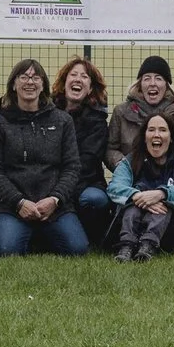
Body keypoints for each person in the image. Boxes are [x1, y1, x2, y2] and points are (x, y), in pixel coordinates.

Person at [0, 58, 89, 257]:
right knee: (7, 251)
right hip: (11, 206)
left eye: (35, 78)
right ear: (13, 84)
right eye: (23, 77)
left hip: (54, 206)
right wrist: (19, 202)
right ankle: (24, 234)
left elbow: (72, 167)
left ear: (43, 85)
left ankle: (37, 235)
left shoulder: (63, 120)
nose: (29, 82)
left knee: (77, 249)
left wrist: (55, 199)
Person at [108, 110, 174, 261]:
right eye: (151, 130)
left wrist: (161, 194)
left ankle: (148, 246)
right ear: (144, 136)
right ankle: (126, 247)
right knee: (132, 207)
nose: (156, 135)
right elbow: (115, 187)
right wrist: (137, 197)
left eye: (163, 130)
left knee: (164, 207)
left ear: (171, 137)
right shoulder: (130, 161)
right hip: (137, 220)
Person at [105, 56, 174, 176]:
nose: (152, 83)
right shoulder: (121, 112)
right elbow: (110, 149)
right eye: (147, 78)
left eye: (158, 78)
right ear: (140, 84)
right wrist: (124, 167)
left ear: (166, 85)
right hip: (132, 179)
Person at [53, 57, 112, 234]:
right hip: (50, 182)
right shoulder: (47, 114)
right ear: (64, 83)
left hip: (85, 184)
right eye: (73, 75)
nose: (78, 79)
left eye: (84, 77)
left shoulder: (97, 122)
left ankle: (89, 232)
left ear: (91, 89)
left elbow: (87, 163)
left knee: (94, 199)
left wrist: (61, 191)